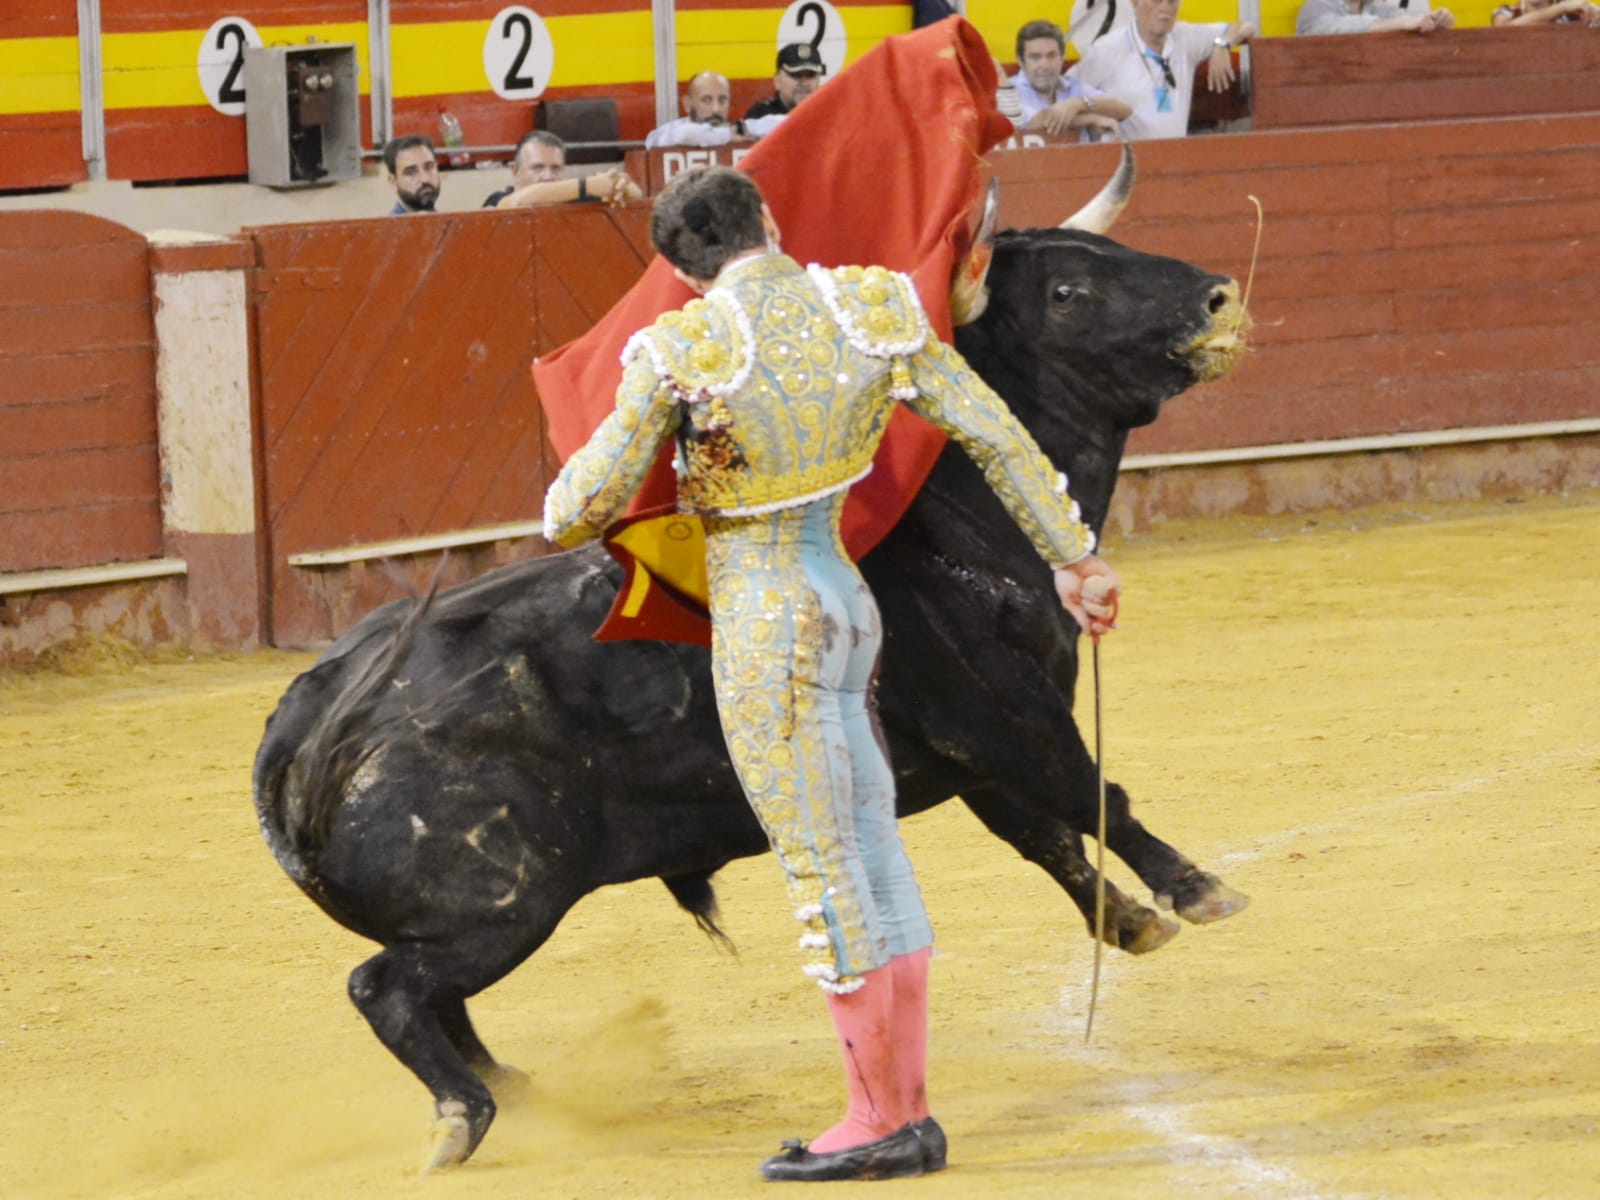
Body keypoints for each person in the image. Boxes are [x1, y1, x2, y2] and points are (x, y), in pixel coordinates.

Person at [542, 165, 1120, 1183]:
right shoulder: (871, 306)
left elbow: (574, 512)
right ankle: (907, 1113)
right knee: (872, 850)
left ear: (683, 270)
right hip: (850, 609)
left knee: (825, 869)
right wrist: (1074, 558)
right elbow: (993, 431)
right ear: (769, 220)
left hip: (768, 624)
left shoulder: (683, 347)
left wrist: (646, 449)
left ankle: (876, 1119)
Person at [1071, 0, 1255, 141]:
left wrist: (1222, 44)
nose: (1165, 8)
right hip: (1124, 163)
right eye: (1157, 1)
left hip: (1171, 161)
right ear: (1135, 3)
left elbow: (1247, 27)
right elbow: (1064, 96)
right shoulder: (1106, 50)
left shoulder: (1185, 37)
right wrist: (1093, 120)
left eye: (1172, 1)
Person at [1011, 19, 1131, 138]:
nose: (1045, 65)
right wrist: (1091, 119)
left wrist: (1080, 104)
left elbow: (1124, 109)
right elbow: (1035, 123)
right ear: (1021, 61)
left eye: (1051, 56)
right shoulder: (1010, 91)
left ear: (1062, 57)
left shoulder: (1072, 86)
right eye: (1035, 57)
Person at [482, 131, 641, 209]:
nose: (548, 176)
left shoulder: (576, 200)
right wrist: (588, 185)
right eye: (537, 168)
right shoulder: (496, 199)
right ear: (515, 170)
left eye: (556, 168)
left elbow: (637, 196)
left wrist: (618, 184)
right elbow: (518, 202)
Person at [645, 70, 751, 149]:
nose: (716, 109)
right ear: (687, 104)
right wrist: (726, 136)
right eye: (707, 100)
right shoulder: (669, 133)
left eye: (722, 100)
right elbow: (683, 135)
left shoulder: (738, 129)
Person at [743, 43, 826, 121]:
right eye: (796, 75)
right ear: (777, 80)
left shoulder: (828, 113)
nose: (804, 83)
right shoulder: (760, 118)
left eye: (811, 75)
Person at [1295, 0, 1455, 34]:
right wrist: (1404, 23)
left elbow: (1411, 19)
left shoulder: (1378, 10)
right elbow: (1341, 27)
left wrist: (1438, 19)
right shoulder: (1314, 7)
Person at [384, 134, 440, 214]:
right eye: (411, 172)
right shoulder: (392, 223)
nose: (424, 179)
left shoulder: (446, 220)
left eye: (429, 167)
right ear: (393, 182)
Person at [1491, 0, 1600, 25]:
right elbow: (1507, 28)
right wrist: (1562, 7)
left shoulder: (1571, 15)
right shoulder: (1506, 12)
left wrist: (1594, 12)